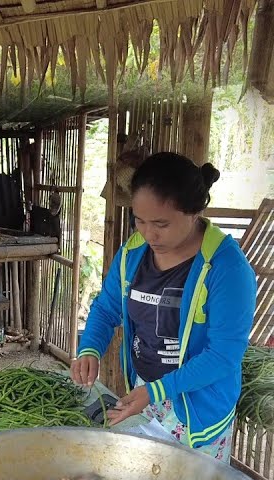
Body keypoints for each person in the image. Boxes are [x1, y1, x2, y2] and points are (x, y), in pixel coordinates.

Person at [71, 152, 255, 461]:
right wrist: (89, 348)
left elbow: (223, 355)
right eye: (139, 221)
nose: (148, 234)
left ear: (194, 212)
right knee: (146, 478)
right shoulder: (133, 253)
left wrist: (156, 391)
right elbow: (106, 308)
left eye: (161, 223)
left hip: (199, 410)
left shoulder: (227, 269)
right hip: (146, 395)